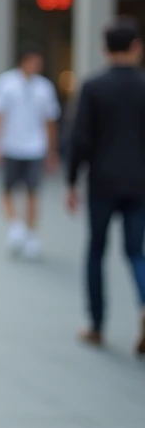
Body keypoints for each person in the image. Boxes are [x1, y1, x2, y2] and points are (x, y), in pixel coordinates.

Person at [66, 18, 145, 353]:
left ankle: (96, 324)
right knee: (135, 251)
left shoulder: (94, 86)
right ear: (137, 47)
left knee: (96, 251)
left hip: (101, 181)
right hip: (140, 183)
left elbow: (80, 139)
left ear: (104, 49)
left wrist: (71, 181)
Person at [0, 44, 61, 260]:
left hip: (35, 147)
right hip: (10, 145)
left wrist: (52, 151)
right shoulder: (6, 83)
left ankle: (30, 234)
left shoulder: (44, 87)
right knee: (7, 189)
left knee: (33, 191)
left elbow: (50, 121)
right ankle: (15, 226)